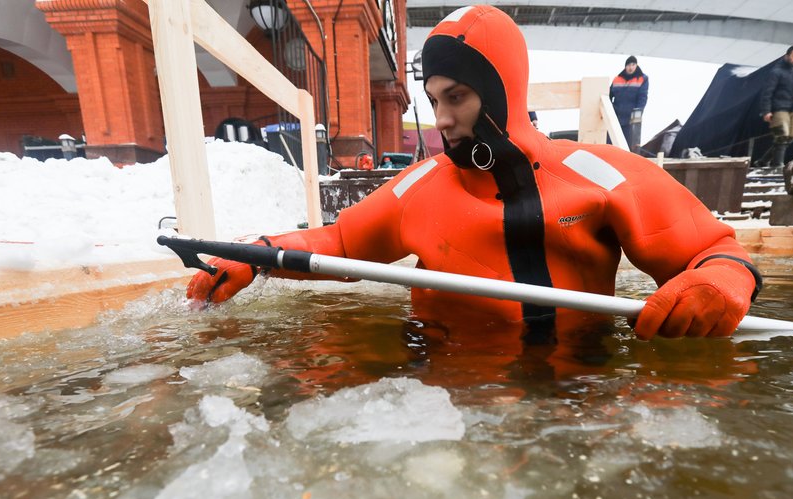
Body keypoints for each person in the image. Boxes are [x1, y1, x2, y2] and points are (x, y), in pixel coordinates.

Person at [187, 6, 761, 341]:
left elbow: (716, 250)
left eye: (456, 96)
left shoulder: (600, 174)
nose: (440, 118)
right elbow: (338, 242)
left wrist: (722, 283)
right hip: (443, 391)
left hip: (585, 388)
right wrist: (257, 253)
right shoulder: (420, 186)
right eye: (433, 98)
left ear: (500, 90)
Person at [758, 45, 793, 168]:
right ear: (787, 55)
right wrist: (766, 111)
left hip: (792, 108)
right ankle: (777, 165)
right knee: (782, 136)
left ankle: (763, 161)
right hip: (778, 108)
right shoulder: (776, 72)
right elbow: (767, 92)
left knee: (790, 137)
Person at [609, 56, 649, 150]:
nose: (631, 67)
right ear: (625, 66)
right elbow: (609, 95)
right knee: (612, 141)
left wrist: (638, 113)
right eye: (629, 65)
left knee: (628, 144)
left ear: (636, 65)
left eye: (633, 65)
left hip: (631, 118)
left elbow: (642, 97)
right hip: (617, 115)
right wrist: (611, 110)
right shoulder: (617, 79)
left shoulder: (642, 79)